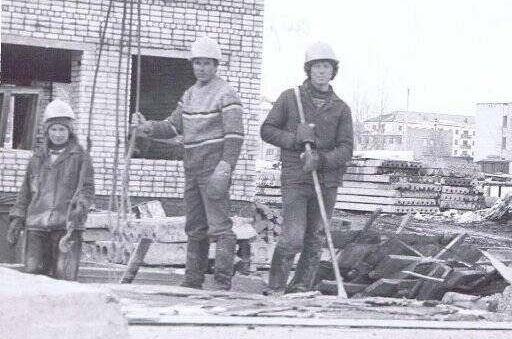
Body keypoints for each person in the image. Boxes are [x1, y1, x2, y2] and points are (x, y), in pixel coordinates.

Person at [132, 36, 244, 290]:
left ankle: (222, 283)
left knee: (220, 227)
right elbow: (172, 126)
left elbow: (235, 136)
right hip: (192, 168)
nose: (202, 68)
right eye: (197, 63)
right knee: (195, 226)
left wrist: (224, 169)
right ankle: (193, 280)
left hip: (213, 168)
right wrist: (147, 126)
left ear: (216, 65)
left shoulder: (226, 94)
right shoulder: (190, 94)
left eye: (206, 63)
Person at [260, 41, 353, 294]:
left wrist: (321, 160)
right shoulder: (291, 98)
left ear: (333, 71)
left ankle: (300, 287)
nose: (322, 72)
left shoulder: (341, 108)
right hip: (296, 177)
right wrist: (294, 139)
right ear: (308, 70)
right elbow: (266, 130)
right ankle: (276, 287)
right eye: (317, 67)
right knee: (293, 236)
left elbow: (346, 149)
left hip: (328, 181)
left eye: (327, 67)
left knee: (315, 237)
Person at [7, 99, 94, 281]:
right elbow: (25, 192)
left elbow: (87, 189)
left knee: (65, 280)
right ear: (47, 131)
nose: (58, 134)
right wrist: (17, 218)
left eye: (62, 129)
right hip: (36, 227)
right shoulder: (37, 159)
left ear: (69, 131)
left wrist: (82, 207)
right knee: (33, 279)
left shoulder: (80, 158)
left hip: (66, 227)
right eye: (53, 129)